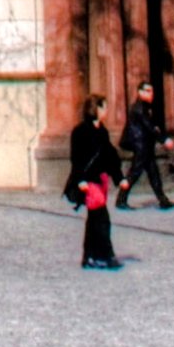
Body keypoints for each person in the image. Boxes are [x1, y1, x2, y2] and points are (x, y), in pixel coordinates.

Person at [70, 94, 125, 269]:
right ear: (96, 109)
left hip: (101, 179)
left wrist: (119, 177)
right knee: (102, 218)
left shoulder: (102, 131)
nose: (106, 111)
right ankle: (107, 255)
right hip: (89, 181)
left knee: (93, 219)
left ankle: (88, 257)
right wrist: (80, 180)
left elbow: (110, 156)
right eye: (104, 107)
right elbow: (76, 158)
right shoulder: (80, 131)